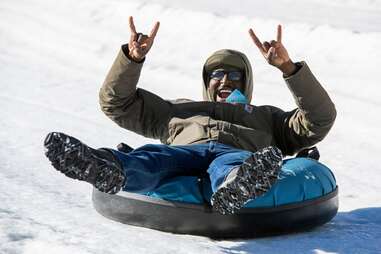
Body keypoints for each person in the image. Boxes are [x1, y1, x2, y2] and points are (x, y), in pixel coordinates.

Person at [44, 16, 336, 215]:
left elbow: (320, 118)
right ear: (206, 81)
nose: (225, 81)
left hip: (235, 154)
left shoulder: (267, 117)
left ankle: (237, 187)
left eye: (234, 74)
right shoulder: (176, 110)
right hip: (184, 152)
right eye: (217, 74)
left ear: (246, 81)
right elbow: (116, 103)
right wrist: (132, 60)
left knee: (233, 164)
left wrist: (288, 68)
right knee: (152, 158)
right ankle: (103, 166)